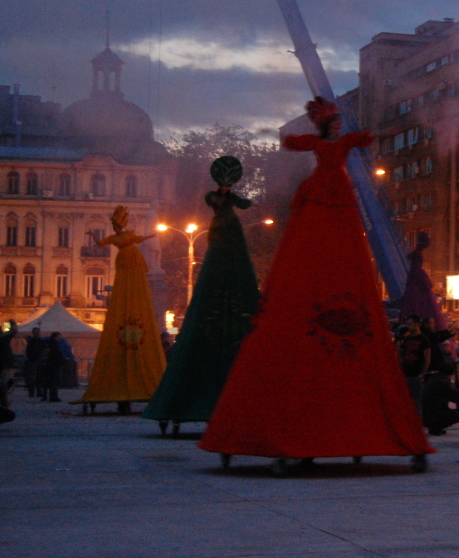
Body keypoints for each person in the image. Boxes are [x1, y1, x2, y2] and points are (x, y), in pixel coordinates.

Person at [199, 97, 432, 467]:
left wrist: (365, 134)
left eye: (339, 123)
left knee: (337, 241)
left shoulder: (339, 144)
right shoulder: (324, 145)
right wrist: (289, 137)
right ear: (325, 125)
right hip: (324, 189)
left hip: (334, 191)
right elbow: (299, 143)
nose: (339, 127)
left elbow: (356, 139)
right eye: (334, 122)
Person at [143, 156, 262, 431]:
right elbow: (215, 202)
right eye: (222, 180)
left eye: (227, 180)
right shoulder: (215, 197)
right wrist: (226, 194)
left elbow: (243, 204)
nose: (224, 185)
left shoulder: (231, 199)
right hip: (220, 235)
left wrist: (247, 201)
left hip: (231, 237)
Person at [77, 206, 166, 414]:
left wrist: (153, 234)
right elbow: (101, 243)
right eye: (115, 224)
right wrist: (91, 234)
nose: (116, 226)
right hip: (125, 261)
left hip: (132, 259)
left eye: (118, 224)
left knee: (135, 281)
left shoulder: (128, 236)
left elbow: (141, 239)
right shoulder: (115, 239)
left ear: (121, 224)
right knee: (125, 283)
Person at [399, 232, 446, 329]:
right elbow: (415, 267)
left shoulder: (416, 254)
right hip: (417, 278)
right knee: (423, 301)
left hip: (415, 278)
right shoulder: (417, 254)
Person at [397, 315, 431, 418]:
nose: (408, 326)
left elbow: (427, 357)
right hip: (406, 372)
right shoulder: (407, 339)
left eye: (409, 324)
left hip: (416, 374)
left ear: (417, 325)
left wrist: (422, 373)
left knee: (416, 401)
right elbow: (400, 353)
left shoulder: (423, 339)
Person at [42, 333, 67, 402]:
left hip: (50, 365)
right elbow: (57, 355)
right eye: (58, 337)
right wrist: (61, 361)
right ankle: (53, 397)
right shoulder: (53, 345)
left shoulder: (50, 345)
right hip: (54, 366)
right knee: (54, 382)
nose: (59, 339)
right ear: (54, 337)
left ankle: (49, 396)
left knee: (50, 382)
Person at [24, 327, 44, 398]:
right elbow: (29, 352)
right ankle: (32, 392)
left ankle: (38, 391)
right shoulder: (32, 342)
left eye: (38, 332)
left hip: (38, 361)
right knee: (32, 378)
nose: (37, 333)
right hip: (33, 361)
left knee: (38, 377)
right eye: (36, 332)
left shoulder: (40, 341)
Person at [0, 321, 16, 409]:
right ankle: (5, 403)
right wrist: (13, 323)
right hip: (6, 364)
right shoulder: (3, 338)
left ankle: (4, 402)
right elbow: (13, 331)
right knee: (7, 384)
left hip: (4, 364)